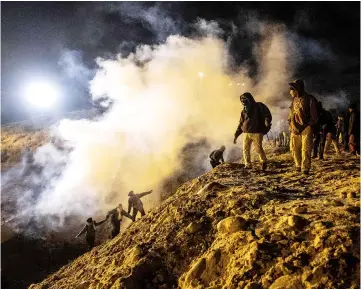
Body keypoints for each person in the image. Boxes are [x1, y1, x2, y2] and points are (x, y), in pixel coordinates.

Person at [233, 92, 272, 171]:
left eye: (244, 99)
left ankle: (263, 162)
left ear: (249, 99)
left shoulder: (259, 106)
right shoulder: (244, 111)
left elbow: (267, 115)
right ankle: (247, 165)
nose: (243, 101)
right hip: (246, 133)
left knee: (258, 149)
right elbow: (241, 123)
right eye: (241, 100)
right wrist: (236, 135)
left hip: (257, 132)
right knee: (245, 149)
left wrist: (267, 123)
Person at [288, 79, 318, 174]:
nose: (290, 92)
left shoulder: (310, 99)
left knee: (306, 149)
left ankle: (305, 168)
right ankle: (298, 165)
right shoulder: (294, 100)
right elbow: (291, 113)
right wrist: (290, 124)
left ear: (297, 89)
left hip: (306, 128)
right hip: (294, 128)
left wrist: (309, 126)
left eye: (291, 90)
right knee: (293, 148)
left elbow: (314, 115)